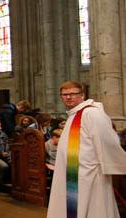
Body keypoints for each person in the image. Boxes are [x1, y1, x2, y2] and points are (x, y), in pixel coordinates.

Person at [47, 81, 126, 218]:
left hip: (89, 173)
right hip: (74, 172)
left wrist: (114, 164)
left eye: (73, 94)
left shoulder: (92, 113)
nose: (68, 97)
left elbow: (108, 142)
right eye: (65, 94)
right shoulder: (74, 114)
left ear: (82, 95)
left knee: (92, 209)